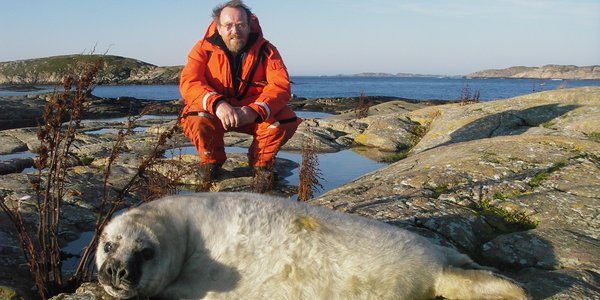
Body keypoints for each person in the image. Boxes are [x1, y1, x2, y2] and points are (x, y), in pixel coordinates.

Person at [179, 0, 301, 192]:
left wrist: (255, 110)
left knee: (285, 118)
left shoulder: (267, 50)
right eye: (228, 25)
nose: (234, 30)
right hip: (215, 113)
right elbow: (189, 83)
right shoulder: (202, 49)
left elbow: (280, 86)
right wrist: (216, 103)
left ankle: (261, 163)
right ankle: (211, 162)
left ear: (249, 25)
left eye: (240, 25)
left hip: (251, 113)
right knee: (196, 116)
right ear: (219, 28)